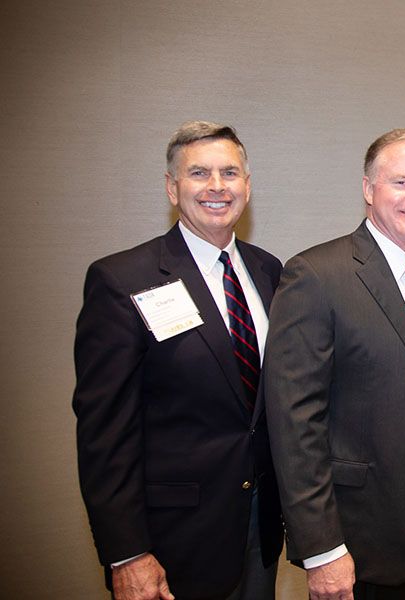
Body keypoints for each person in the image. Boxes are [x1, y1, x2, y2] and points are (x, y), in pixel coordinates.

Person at [265, 128, 405, 600]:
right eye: (401, 182)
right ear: (369, 189)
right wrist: (322, 548)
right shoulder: (316, 275)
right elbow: (294, 424)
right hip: (357, 535)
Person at [73, 121, 283, 600]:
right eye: (199, 173)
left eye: (229, 173)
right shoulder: (123, 279)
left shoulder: (269, 271)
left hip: (260, 527)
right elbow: (104, 432)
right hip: (172, 541)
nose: (217, 186)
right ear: (172, 188)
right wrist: (127, 552)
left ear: (247, 186)